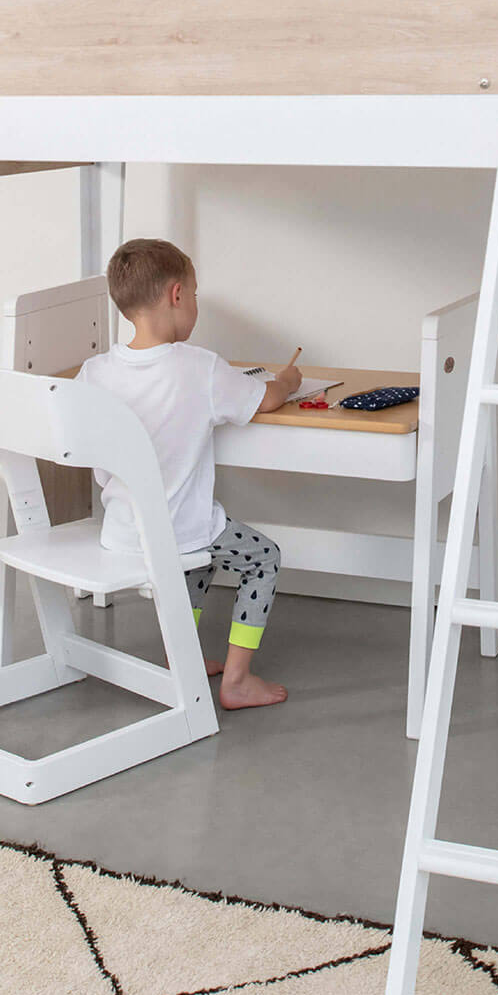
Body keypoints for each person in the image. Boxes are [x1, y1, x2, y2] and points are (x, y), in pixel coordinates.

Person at [76, 238, 298, 709]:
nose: (195, 304)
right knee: (262, 558)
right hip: (178, 533)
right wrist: (288, 380)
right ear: (177, 295)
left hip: (120, 531)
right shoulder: (199, 368)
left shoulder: (94, 373)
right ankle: (237, 680)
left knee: (202, 549)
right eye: (195, 294)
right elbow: (269, 399)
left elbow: (91, 460)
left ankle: (185, 657)